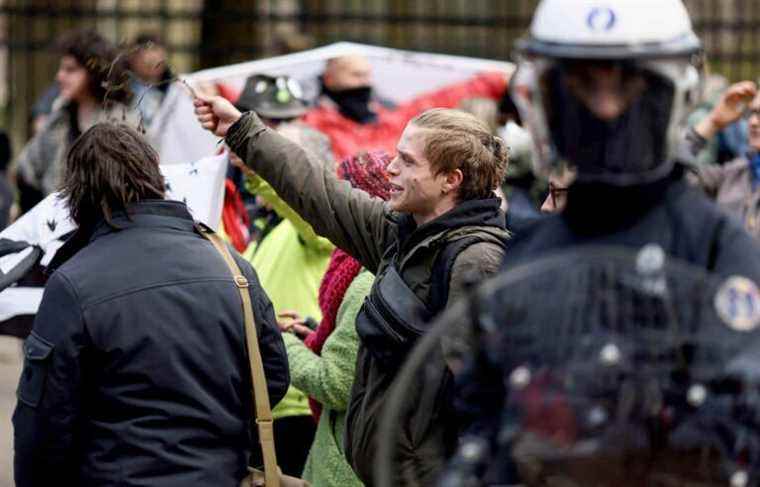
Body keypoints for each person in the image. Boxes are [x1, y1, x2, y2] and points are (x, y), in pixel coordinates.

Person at [421, 0, 760, 485]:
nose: (605, 107)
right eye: (580, 85)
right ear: (545, 98)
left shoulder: (717, 248)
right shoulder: (528, 247)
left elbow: (740, 431)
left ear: (672, 94)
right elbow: (485, 419)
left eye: (629, 82)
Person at [194, 93, 510, 485]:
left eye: (408, 161)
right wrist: (242, 130)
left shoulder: (476, 261)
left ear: (451, 180)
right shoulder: (402, 235)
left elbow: (487, 401)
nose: (391, 169)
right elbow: (319, 192)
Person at [12, 122, 289, 487]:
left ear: (77, 196)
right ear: (155, 177)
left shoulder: (72, 282)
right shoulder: (231, 265)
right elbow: (272, 378)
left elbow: (45, 422)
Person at [231, 74, 336, 476]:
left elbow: (304, 210)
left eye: (281, 162)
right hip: (264, 398)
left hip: (297, 404)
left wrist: (259, 163)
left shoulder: (317, 229)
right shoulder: (267, 225)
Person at [278, 150, 393, 487]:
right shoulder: (364, 266)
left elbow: (335, 384)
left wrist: (276, 341)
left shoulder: (366, 281)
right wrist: (314, 334)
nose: (333, 211)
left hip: (348, 467)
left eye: (343, 197)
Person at [15, 28, 137, 213]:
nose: (60, 76)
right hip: (55, 228)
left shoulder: (122, 122)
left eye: (70, 70)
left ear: (93, 72)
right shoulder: (60, 117)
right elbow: (27, 171)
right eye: (61, 69)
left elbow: (135, 185)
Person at [301, 53, 508, 161]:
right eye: (356, 75)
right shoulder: (312, 125)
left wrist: (498, 80)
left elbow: (442, 97)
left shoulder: (390, 117)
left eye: (367, 75)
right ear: (329, 79)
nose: (365, 83)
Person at [684, 81, 760, 238]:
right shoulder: (734, 172)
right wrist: (712, 122)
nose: (753, 122)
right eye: (752, 113)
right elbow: (671, 175)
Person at [127, 33, 173, 128]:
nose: (153, 66)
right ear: (133, 58)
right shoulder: (121, 88)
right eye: (149, 62)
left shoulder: (173, 90)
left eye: (158, 61)